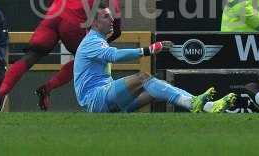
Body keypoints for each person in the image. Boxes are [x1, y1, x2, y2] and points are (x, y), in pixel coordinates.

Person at [0, 0, 122, 112]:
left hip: (53, 17)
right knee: (90, 59)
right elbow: (115, 5)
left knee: (30, 57)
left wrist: (52, 16)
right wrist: (117, 29)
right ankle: (48, 88)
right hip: (73, 23)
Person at [74, 7, 237, 113]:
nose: (112, 20)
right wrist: (149, 49)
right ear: (94, 22)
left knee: (153, 89)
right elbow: (114, 56)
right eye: (106, 17)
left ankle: (208, 106)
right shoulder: (91, 41)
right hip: (96, 100)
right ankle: (193, 103)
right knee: (143, 78)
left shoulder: (97, 40)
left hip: (105, 100)